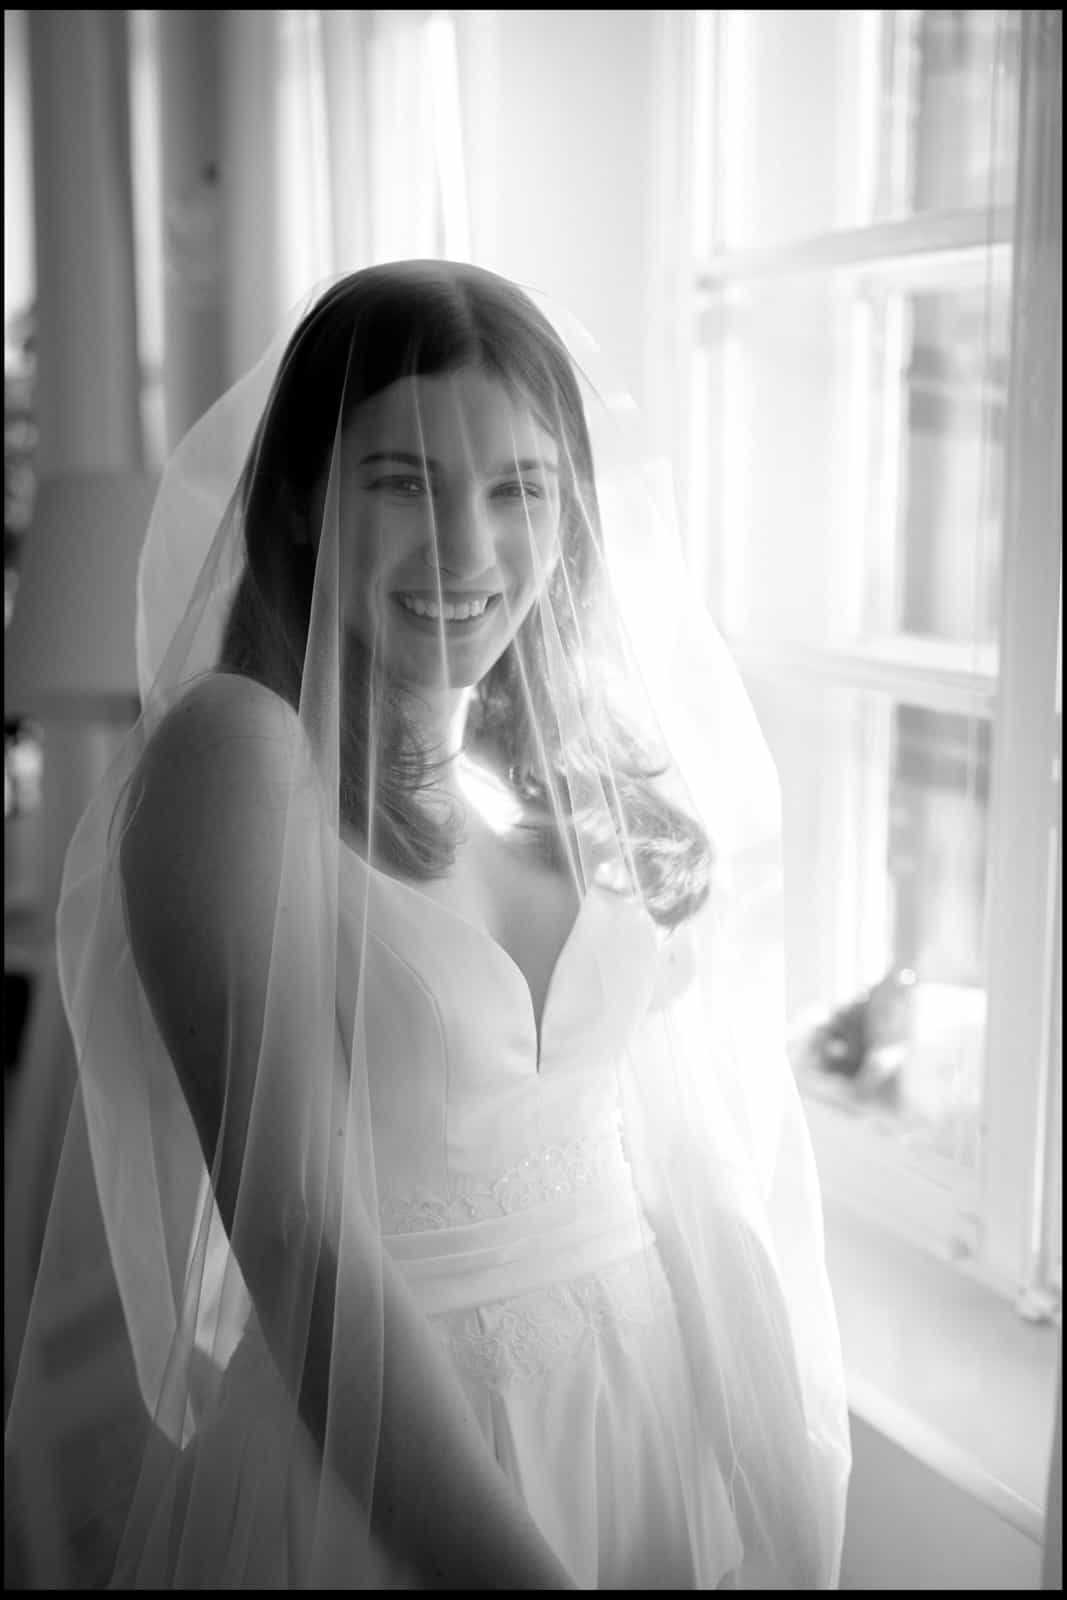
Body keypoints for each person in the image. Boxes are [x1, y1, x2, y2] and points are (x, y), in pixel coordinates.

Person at [4, 260, 851, 1588]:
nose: (467, 549)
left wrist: (777, 1493)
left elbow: (693, 1175)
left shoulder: (569, 777)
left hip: (638, 1420)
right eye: (404, 481)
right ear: (301, 499)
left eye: (520, 489)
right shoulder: (238, 755)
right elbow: (299, 1239)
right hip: (394, 1470)